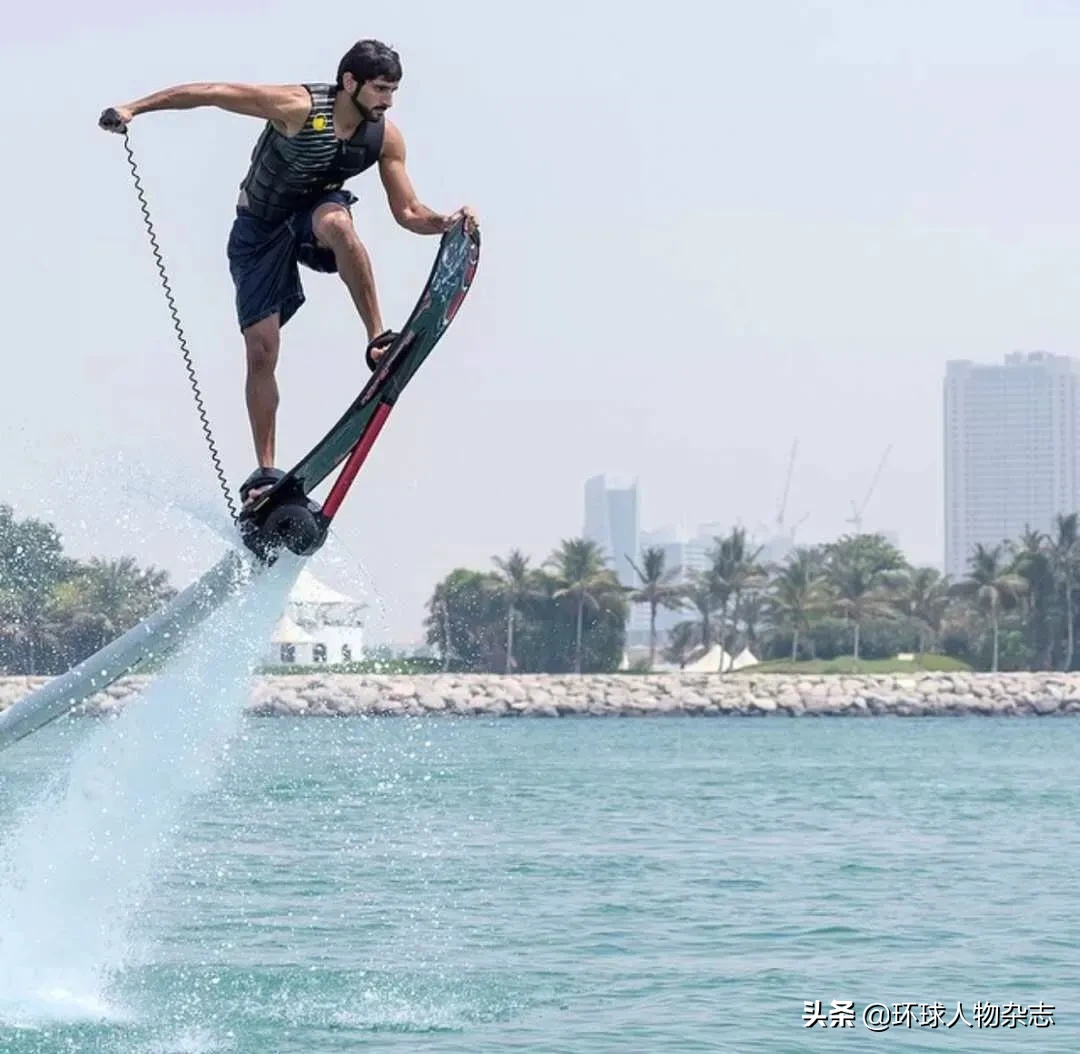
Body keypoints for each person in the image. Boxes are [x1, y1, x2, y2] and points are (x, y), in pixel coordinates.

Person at [99, 39, 477, 505]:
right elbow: (214, 91)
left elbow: (409, 211)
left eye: (393, 91)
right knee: (261, 349)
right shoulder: (296, 106)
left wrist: (444, 223)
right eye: (380, 89)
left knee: (338, 223)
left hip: (314, 216)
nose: (388, 101)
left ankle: (378, 338)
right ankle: (265, 472)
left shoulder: (384, 138)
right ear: (350, 82)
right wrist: (134, 108)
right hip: (259, 228)